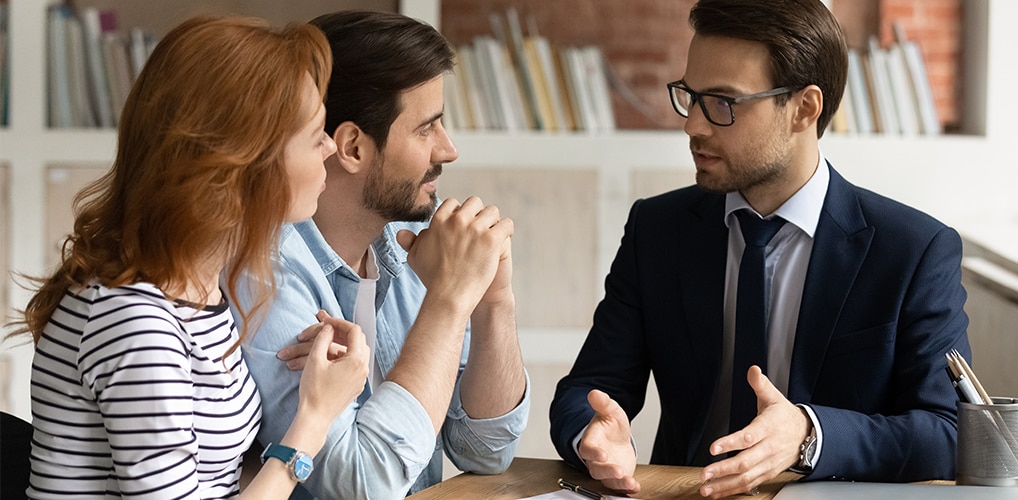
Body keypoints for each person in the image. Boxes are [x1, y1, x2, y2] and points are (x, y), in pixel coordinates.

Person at [549, 0, 971, 498]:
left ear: (804, 109)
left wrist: (810, 436)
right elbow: (588, 389)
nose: (693, 126)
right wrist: (592, 436)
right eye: (691, 95)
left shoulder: (914, 250)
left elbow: (948, 433)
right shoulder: (658, 229)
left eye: (723, 103)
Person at [11, 16, 371, 499]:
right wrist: (315, 416)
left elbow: (216, 482)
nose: (331, 148)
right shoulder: (133, 320)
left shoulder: (200, 289)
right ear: (242, 166)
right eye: (314, 135)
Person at [232, 10, 529, 499]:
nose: (449, 149)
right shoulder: (267, 273)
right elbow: (361, 487)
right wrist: (450, 301)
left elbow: (485, 451)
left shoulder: (406, 242)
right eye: (426, 128)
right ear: (351, 147)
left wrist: (493, 300)